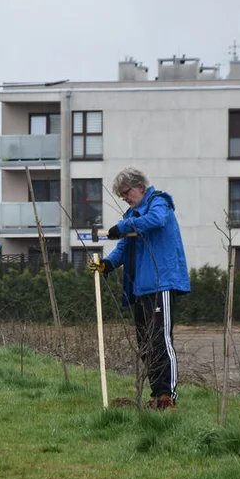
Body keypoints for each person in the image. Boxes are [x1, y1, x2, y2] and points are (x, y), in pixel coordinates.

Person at [90, 168, 189, 410]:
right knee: (146, 344)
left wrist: (124, 226)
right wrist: (107, 264)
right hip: (139, 288)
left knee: (161, 341)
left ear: (139, 187)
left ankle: (168, 397)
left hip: (161, 282)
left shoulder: (159, 203)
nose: (124, 198)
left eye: (126, 193)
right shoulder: (131, 214)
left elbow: (155, 221)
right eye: (121, 195)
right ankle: (156, 395)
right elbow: (124, 249)